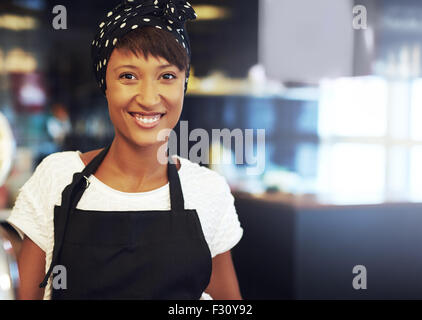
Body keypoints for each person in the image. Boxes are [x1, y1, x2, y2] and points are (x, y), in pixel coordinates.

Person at [7, 0, 243, 300]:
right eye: (128, 76)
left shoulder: (208, 190)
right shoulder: (58, 177)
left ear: (184, 83)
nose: (147, 98)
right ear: (105, 83)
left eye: (167, 76)